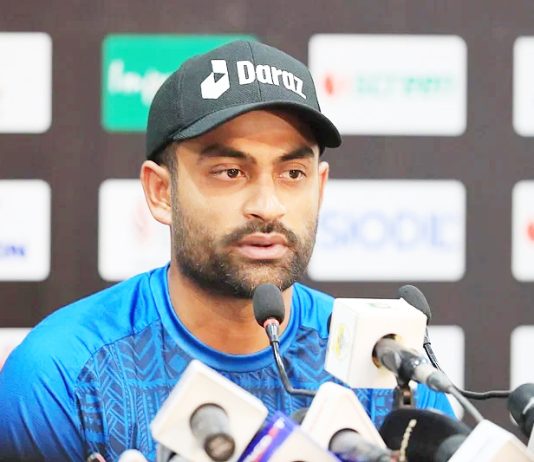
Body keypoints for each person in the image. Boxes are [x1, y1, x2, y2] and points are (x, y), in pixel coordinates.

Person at [0, 40, 453, 461]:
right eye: (230, 172)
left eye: (292, 174)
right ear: (160, 192)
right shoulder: (63, 375)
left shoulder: (390, 368)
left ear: (320, 187)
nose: (268, 206)